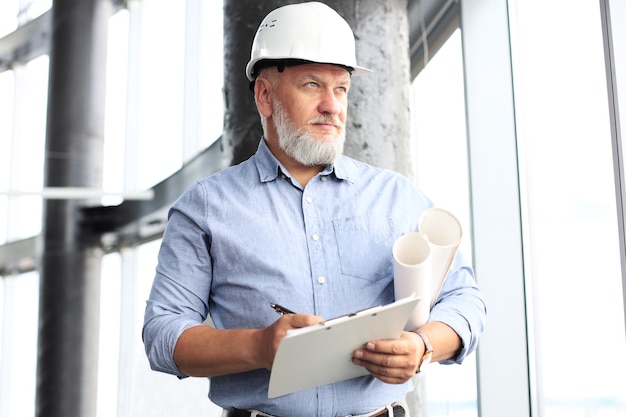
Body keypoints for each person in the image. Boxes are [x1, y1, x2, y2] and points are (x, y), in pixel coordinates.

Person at [142, 2, 486, 417]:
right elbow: (163, 334)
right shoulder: (206, 208)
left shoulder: (397, 196)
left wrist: (423, 345)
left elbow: (464, 299)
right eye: (311, 85)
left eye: (340, 88)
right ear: (265, 96)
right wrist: (258, 346)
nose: (332, 106)